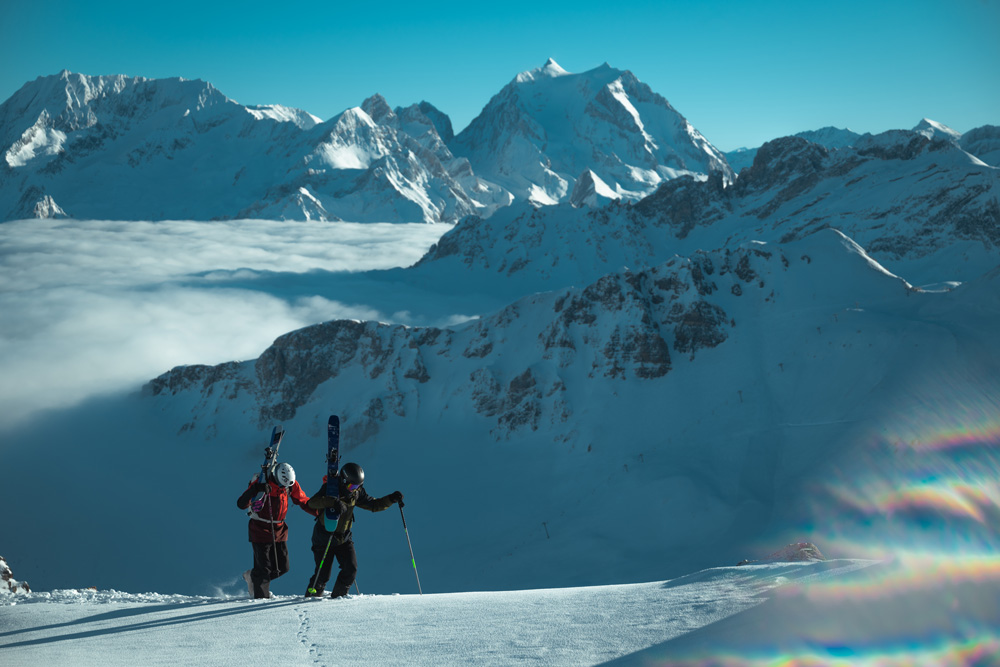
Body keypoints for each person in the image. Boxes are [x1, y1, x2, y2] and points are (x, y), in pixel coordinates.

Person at [304, 462, 404, 598]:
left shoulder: (356, 493)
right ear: (344, 480)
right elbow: (312, 503)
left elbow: (373, 505)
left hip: (343, 538)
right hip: (324, 538)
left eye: (358, 486)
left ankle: (338, 598)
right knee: (322, 574)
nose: (354, 489)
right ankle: (312, 596)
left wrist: (390, 499)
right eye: (353, 486)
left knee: (351, 569)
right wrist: (333, 502)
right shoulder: (330, 488)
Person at [236, 461, 317, 598]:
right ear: (275, 477)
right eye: (281, 484)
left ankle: (253, 577)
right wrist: (256, 489)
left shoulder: (289, 485)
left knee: (282, 567)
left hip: (279, 530)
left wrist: (321, 513)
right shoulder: (262, 483)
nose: (283, 487)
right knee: (264, 570)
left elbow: (303, 500)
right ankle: (261, 601)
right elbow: (241, 504)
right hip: (260, 529)